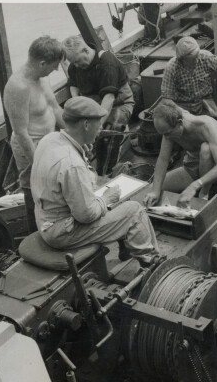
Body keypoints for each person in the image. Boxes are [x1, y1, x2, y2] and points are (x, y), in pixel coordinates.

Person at [30, 96, 159, 266]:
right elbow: (86, 215)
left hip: (45, 220)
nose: (100, 129)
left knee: (114, 198)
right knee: (134, 211)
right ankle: (151, 263)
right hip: (62, 232)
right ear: (86, 124)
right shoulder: (71, 163)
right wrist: (105, 199)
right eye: (98, 124)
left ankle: (127, 249)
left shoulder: (50, 140)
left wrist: (82, 154)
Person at [3, 36, 65, 233]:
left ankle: (56, 228)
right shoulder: (18, 87)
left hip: (49, 143)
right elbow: (21, 133)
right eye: (54, 66)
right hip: (31, 148)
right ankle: (35, 237)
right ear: (42, 63)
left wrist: (76, 135)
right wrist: (38, 166)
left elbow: (54, 107)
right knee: (35, 195)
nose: (57, 70)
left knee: (54, 191)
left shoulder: (42, 77)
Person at [62, 36, 135, 176]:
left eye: (77, 61)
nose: (76, 65)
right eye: (73, 63)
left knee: (110, 127)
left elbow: (109, 97)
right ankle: (82, 167)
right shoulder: (75, 66)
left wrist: (99, 124)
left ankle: (105, 172)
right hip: (92, 105)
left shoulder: (107, 63)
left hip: (118, 104)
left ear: (85, 50)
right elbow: (73, 85)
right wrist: (78, 107)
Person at [144, 99, 217, 208]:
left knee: (206, 149)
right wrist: (155, 191)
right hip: (193, 168)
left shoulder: (206, 126)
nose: (166, 138)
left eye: (168, 133)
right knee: (150, 191)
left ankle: (204, 194)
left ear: (180, 122)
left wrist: (194, 186)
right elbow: (163, 160)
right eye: (164, 134)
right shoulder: (169, 128)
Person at [161, 36, 217, 117]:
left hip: (205, 100)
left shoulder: (205, 57)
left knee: (216, 121)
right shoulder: (171, 67)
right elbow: (166, 99)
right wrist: (184, 114)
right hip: (182, 104)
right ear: (182, 59)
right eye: (192, 60)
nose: (197, 60)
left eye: (197, 56)